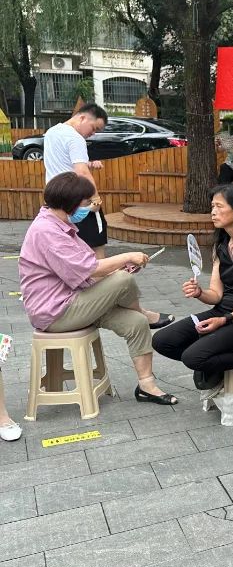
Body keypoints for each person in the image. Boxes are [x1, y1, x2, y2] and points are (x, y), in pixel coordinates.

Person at [19, 172, 176, 406]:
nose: (90, 207)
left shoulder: (61, 225)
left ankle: (147, 385)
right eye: (86, 203)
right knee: (122, 280)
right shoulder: (46, 231)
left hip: (75, 300)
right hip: (56, 313)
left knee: (135, 323)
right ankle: (144, 312)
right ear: (71, 203)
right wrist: (126, 258)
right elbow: (87, 269)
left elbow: (85, 271)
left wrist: (118, 269)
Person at [152, 185, 233, 396]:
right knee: (163, 341)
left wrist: (225, 320)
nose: (213, 212)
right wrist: (199, 293)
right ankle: (217, 365)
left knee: (193, 357)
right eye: (212, 207)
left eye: (219, 206)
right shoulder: (220, 243)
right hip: (223, 311)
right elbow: (216, 295)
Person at [43, 102, 108, 258]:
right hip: (78, 201)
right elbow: (82, 172)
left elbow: (64, 163)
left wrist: (89, 163)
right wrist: (96, 199)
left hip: (56, 201)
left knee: (67, 250)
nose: (93, 133)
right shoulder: (75, 138)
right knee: (95, 250)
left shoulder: (51, 132)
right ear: (82, 118)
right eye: (94, 128)